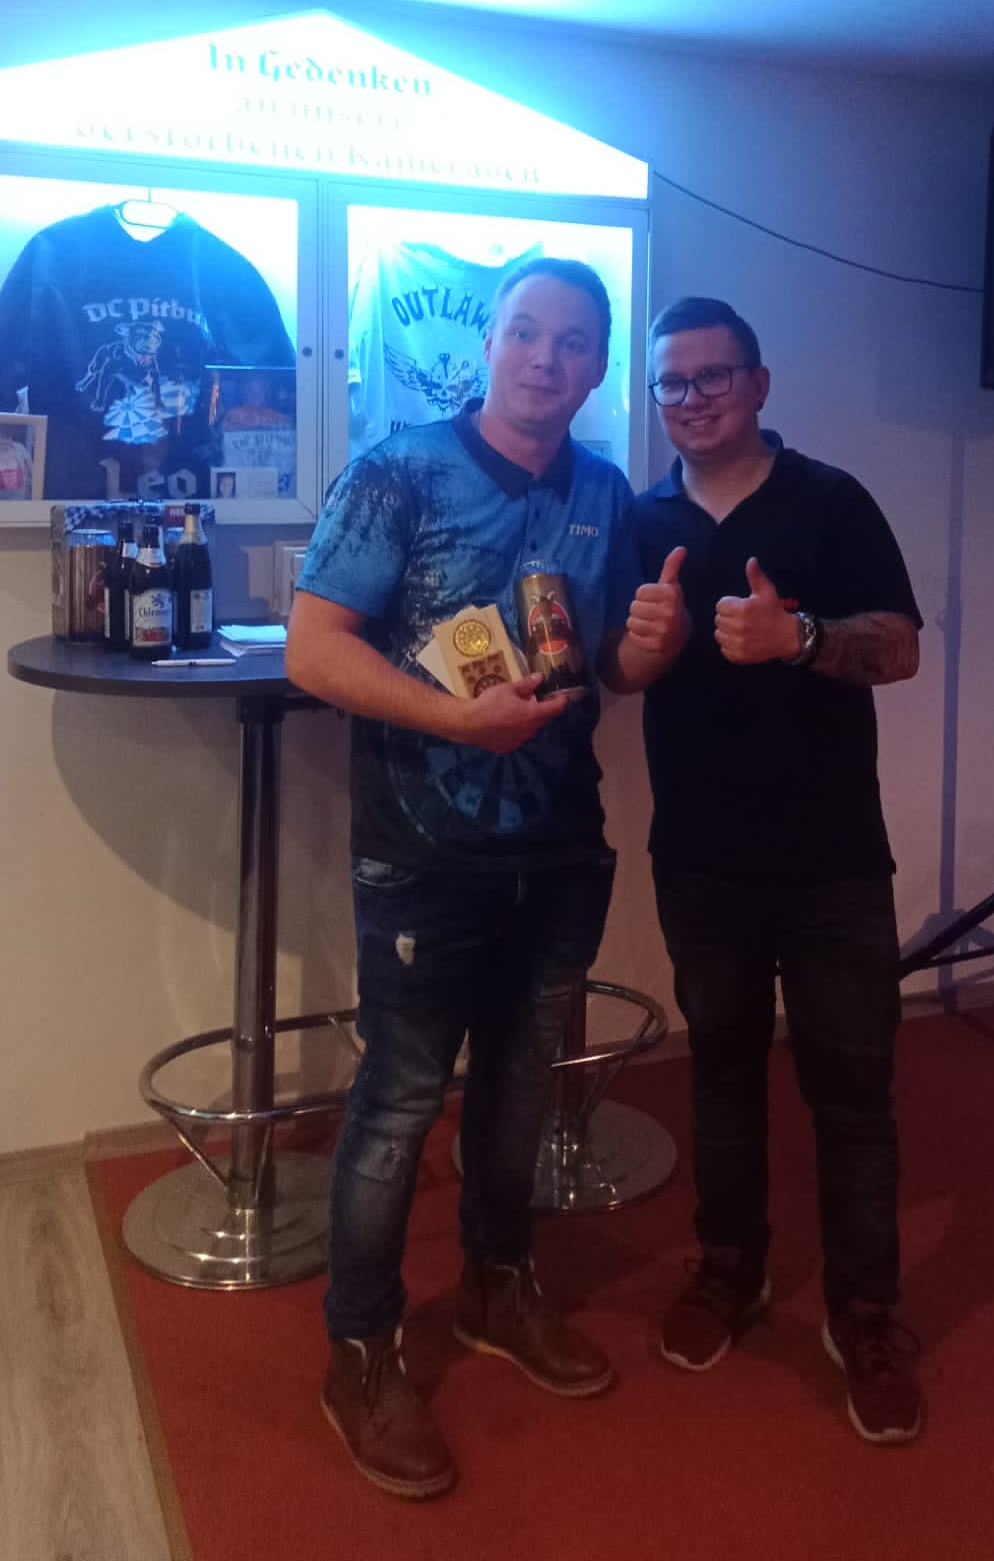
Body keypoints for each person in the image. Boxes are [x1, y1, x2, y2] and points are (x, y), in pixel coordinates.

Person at [286, 256, 687, 1500]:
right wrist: (458, 721)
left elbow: (603, 665)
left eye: (573, 340)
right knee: (400, 1104)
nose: (545, 358)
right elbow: (313, 647)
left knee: (521, 1090)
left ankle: (496, 1287)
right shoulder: (399, 468)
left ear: (598, 363)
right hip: (422, 853)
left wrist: (650, 648)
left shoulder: (604, 488)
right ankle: (360, 1350)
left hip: (560, 842)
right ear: (489, 343)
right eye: (525, 331)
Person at [634, 296, 925, 1446]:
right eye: (673, 381)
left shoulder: (831, 499)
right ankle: (730, 1267)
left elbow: (900, 645)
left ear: (759, 383)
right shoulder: (641, 515)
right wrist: (638, 652)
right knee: (720, 1072)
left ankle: (868, 1314)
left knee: (853, 1090)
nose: (693, 396)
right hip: (700, 858)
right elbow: (610, 663)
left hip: (833, 860)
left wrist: (797, 639)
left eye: (714, 375)